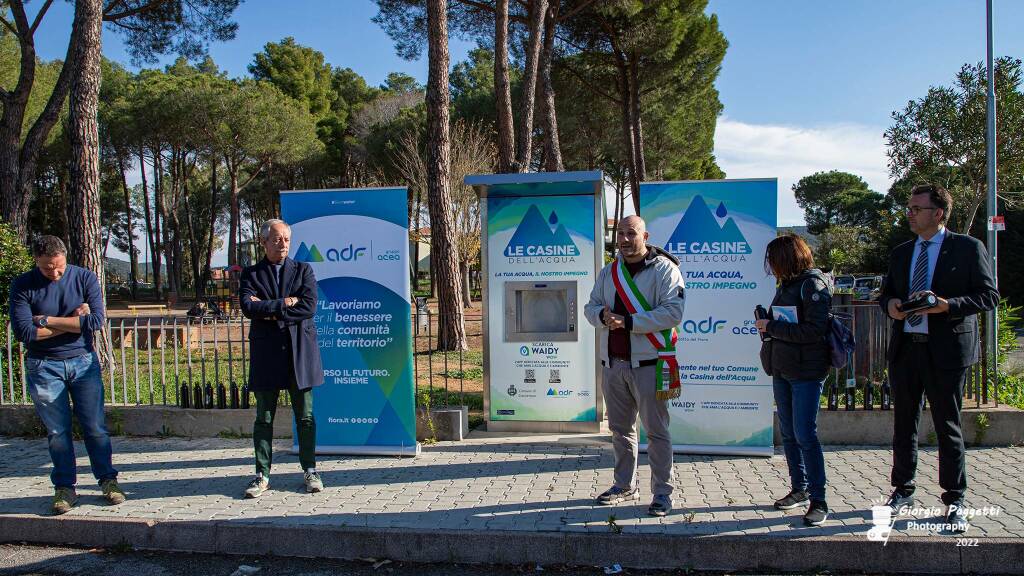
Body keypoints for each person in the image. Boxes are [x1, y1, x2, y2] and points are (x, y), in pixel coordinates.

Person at [879, 184, 998, 534]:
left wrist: (948, 306)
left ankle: (955, 498)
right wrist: (890, 307)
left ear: (938, 213)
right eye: (909, 208)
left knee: (948, 426)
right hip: (907, 349)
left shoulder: (967, 248)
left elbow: (988, 295)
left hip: (946, 350)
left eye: (917, 208)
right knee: (904, 424)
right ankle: (902, 490)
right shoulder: (901, 252)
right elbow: (885, 295)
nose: (910, 213)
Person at [9, 235, 125, 514]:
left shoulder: (84, 278)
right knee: (58, 432)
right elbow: (25, 333)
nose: (55, 272)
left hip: (83, 363)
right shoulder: (23, 285)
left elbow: (96, 321)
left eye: (59, 266)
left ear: (65, 256)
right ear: (36, 260)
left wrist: (48, 320)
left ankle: (108, 481)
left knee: (95, 427)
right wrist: (76, 322)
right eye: (48, 267)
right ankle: (64, 487)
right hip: (44, 366)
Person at [584, 215, 685, 517]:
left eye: (631, 233)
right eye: (621, 234)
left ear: (645, 235)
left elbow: (673, 312)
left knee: (656, 431)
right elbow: (590, 307)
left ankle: (663, 493)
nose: (625, 240)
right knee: (620, 430)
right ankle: (624, 485)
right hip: (613, 365)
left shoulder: (666, 270)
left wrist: (628, 322)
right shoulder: (608, 272)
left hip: (650, 364)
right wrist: (601, 317)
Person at [239, 219, 325, 497]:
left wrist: (269, 310)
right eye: (277, 239)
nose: (283, 244)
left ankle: (310, 470)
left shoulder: (303, 270)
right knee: (264, 418)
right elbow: (248, 308)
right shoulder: (251, 274)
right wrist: (285, 303)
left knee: (306, 417)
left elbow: (309, 307)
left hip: (300, 355)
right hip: (266, 356)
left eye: (286, 239)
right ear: (263, 242)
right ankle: (261, 474)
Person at [756, 234, 832, 527]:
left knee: (805, 435)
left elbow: (815, 331)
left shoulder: (813, 285)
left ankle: (819, 499)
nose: (770, 266)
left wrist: (772, 326)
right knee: (788, 433)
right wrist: (769, 328)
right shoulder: (788, 284)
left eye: (773, 260)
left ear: (786, 258)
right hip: (783, 369)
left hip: (806, 373)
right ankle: (799, 488)